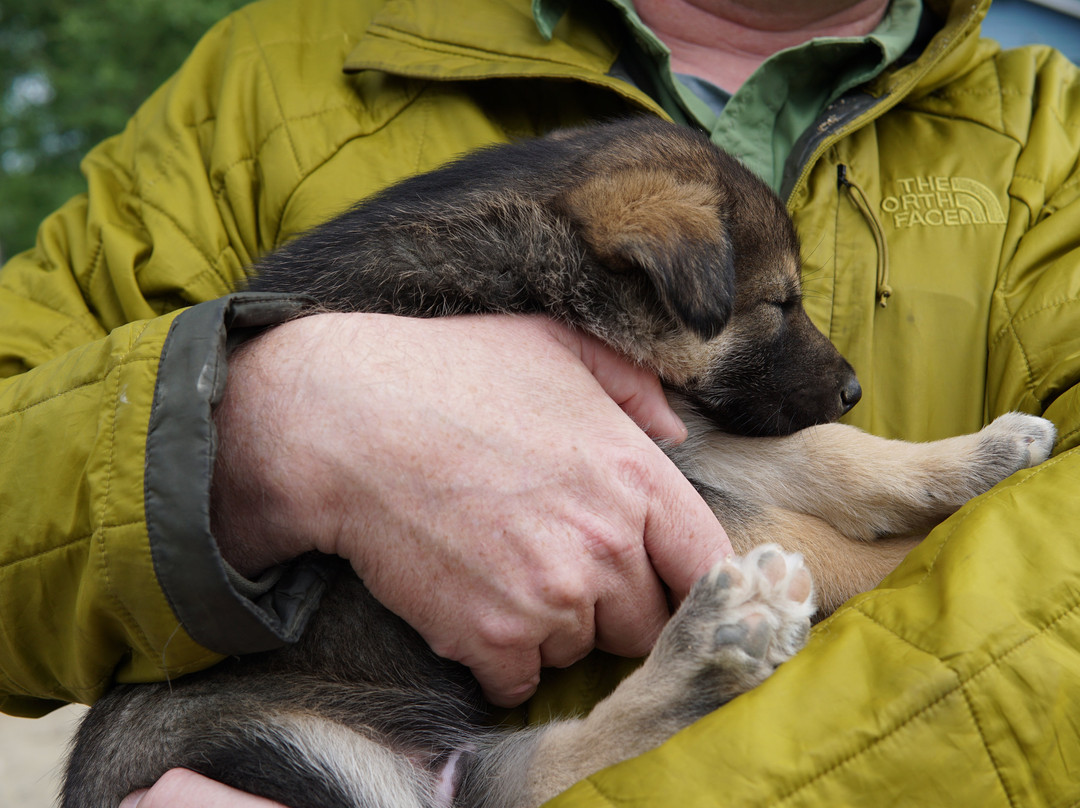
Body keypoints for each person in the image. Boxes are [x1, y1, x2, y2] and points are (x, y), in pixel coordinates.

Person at [2, 0, 1079, 805]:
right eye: (775, 312)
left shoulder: (1052, 139)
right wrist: (263, 420)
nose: (819, 365)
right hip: (269, 733)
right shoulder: (271, 78)